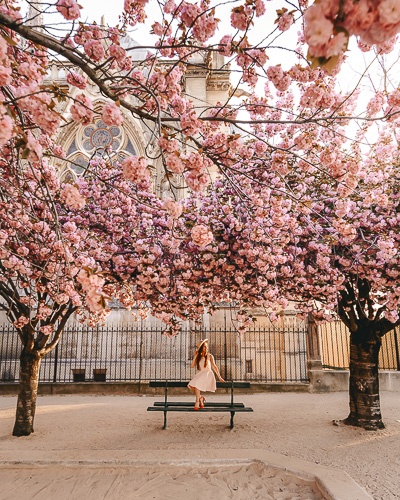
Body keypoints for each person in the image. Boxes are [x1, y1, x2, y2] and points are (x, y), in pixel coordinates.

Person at [188, 339, 225, 410]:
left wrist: (219, 377)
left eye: (205, 346)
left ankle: (197, 402)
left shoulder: (210, 356)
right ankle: (201, 398)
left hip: (208, 374)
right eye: (203, 347)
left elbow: (214, 366)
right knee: (191, 385)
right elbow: (192, 366)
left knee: (196, 384)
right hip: (201, 374)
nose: (205, 348)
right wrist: (195, 356)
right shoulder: (198, 357)